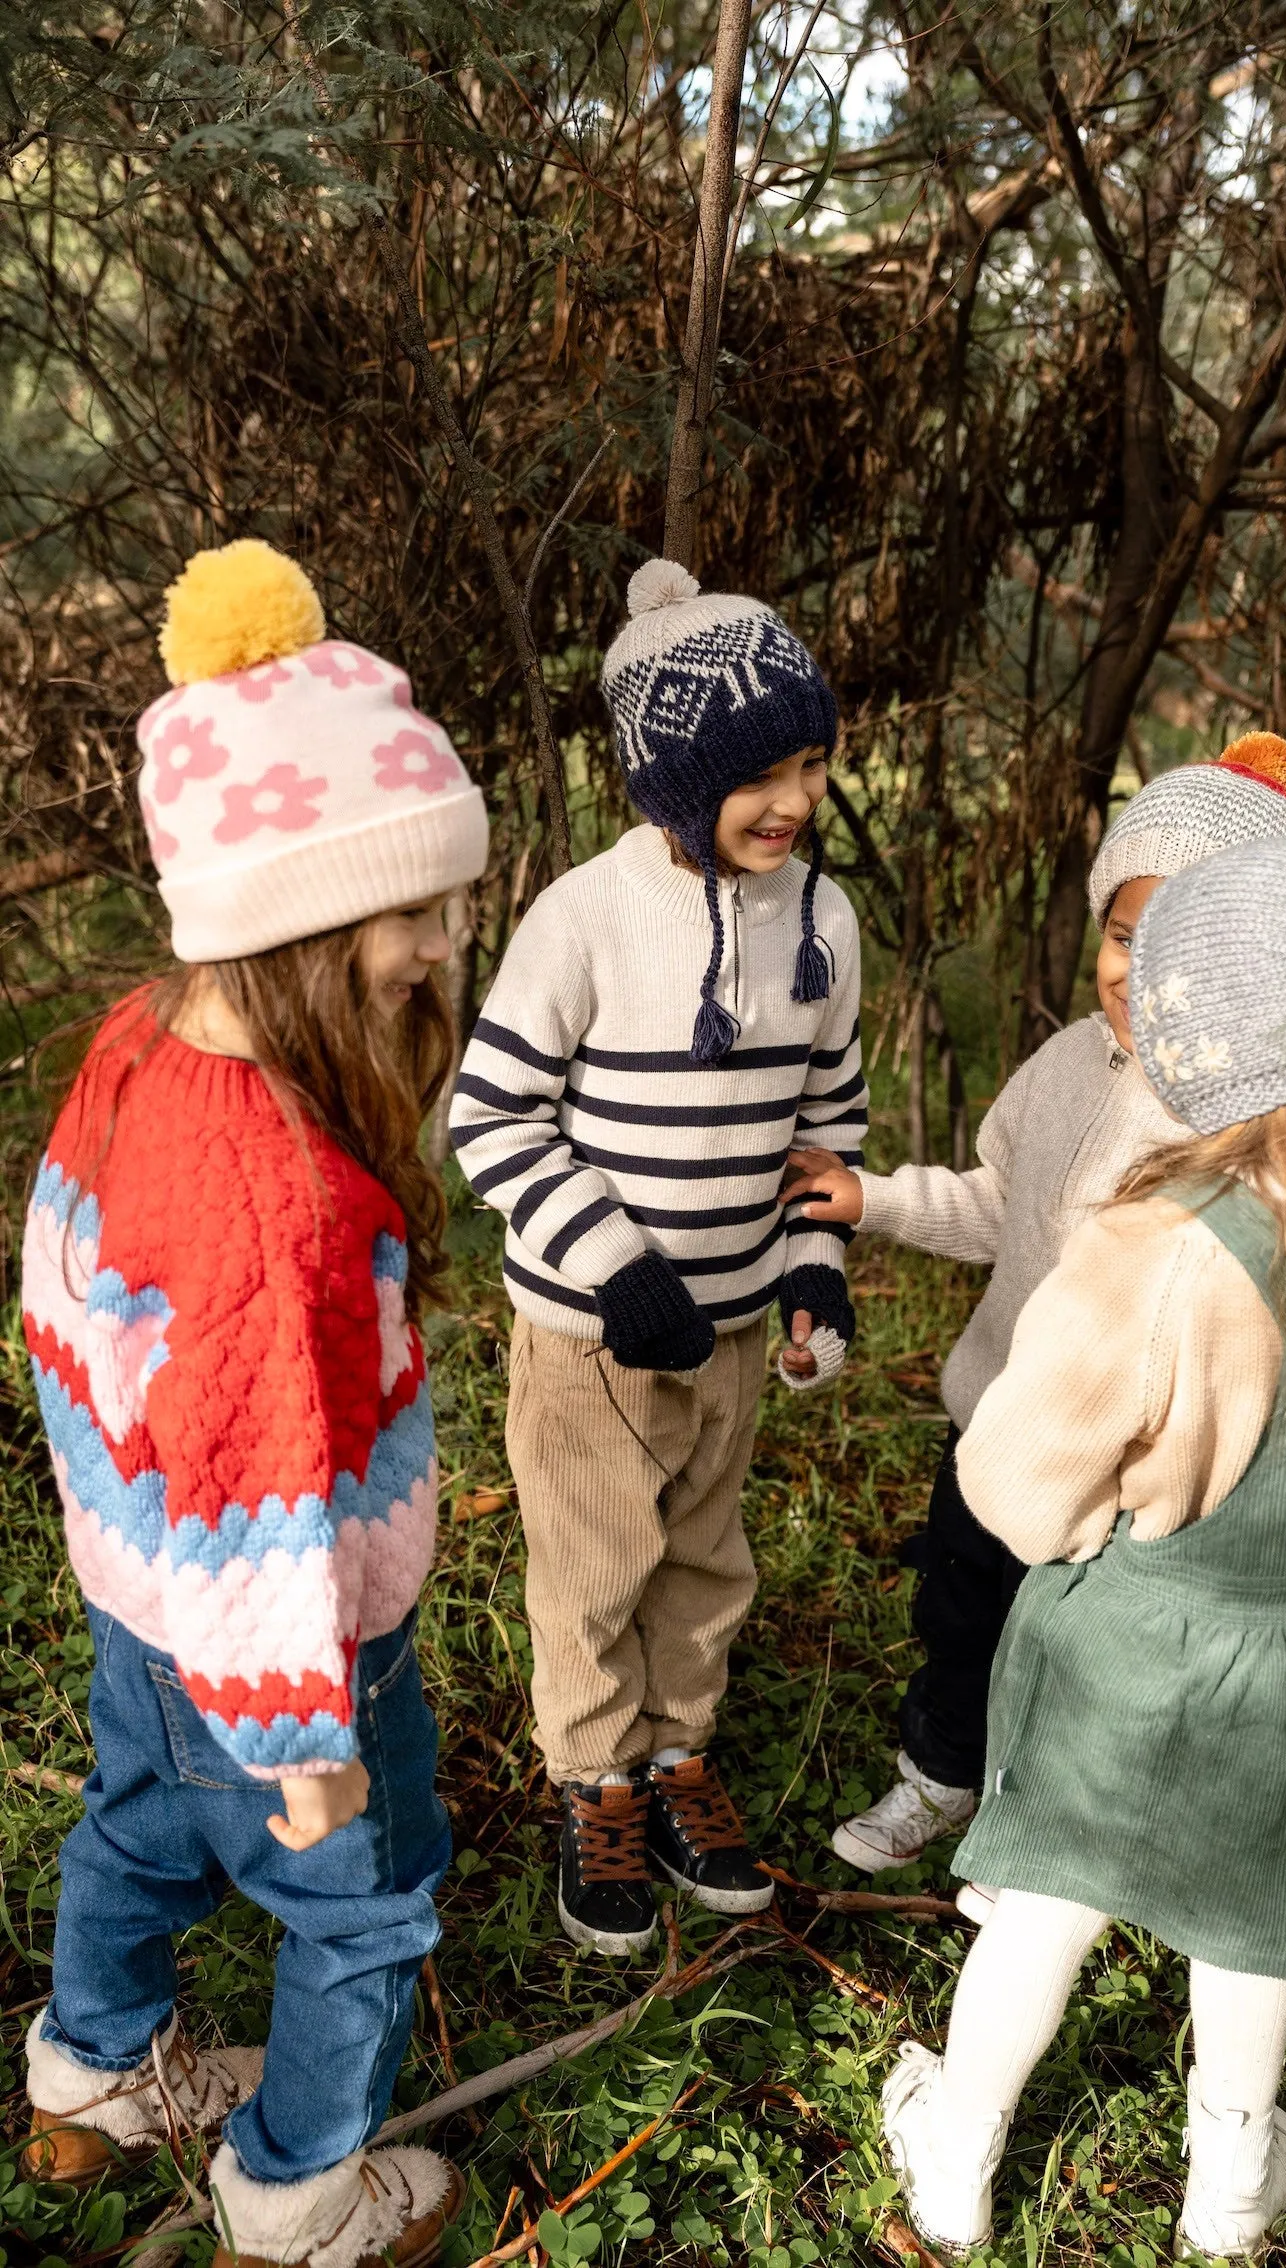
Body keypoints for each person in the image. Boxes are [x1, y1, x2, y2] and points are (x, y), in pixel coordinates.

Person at [879, 834, 1286, 2260]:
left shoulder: (1158, 1237)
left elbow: (1023, 1472)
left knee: (1042, 1905)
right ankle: (1229, 2184)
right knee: (1255, 1929)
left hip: (1147, 1646)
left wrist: (1091, 1536)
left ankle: (956, 2155)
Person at [20, 540, 488, 2268]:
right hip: (282, 1650)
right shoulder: (276, 1201)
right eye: (417, 909)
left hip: (143, 1602)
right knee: (361, 1909)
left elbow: (64, 1297)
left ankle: (88, 2073)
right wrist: (302, 1746)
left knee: (139, 1820)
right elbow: (262, 1497)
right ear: (297, 917)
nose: (445, 943)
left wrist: (116, 1520)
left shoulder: (143, 1039)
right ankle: (295, 2191)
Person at [785, 735, 1286, 1878]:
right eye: (1125, 935)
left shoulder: (1244, 1127)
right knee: (963, 1616)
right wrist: (868, 1198)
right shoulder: (1066, 1062)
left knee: (1086, 1655)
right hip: (994, 1424)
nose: (1137, 970)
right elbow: (993, 1203)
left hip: (1126, 1473)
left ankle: (1056, 1842)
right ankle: (941, 1775)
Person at [450, 559, 868, 1958]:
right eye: (759, 772)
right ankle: (598, 1781)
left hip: (736, 1330)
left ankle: (678, 1755)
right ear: (673, 776)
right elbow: (491, 1115)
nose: (795, 799)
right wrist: (617, 1264)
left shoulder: (824, 920)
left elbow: (828, 1122)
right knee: (592, 1565)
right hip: (588, 1336)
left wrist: (813, 1270)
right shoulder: (584, 917)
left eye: (809, 762)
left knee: (702, 1554)